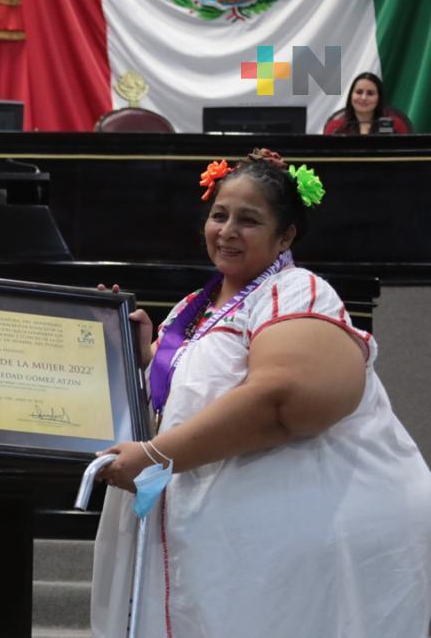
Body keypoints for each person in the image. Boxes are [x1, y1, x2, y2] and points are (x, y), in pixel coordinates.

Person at [90, 149, 431, 637]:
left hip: (291, 539)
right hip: (215, 537)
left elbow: (285, 400)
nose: (227, 231)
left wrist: (154, 456)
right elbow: (200, 395)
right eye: (219, 215)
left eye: (248, 220)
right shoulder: (195, 305)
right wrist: (139, 356)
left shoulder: (298, 292)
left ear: (285, 235)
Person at [323, 71, 411, 134]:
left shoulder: (396, 126)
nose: (364, 98)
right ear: (351, 95)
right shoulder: (336, 127)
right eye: (359, 92)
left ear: (379, 98)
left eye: (370, 93)